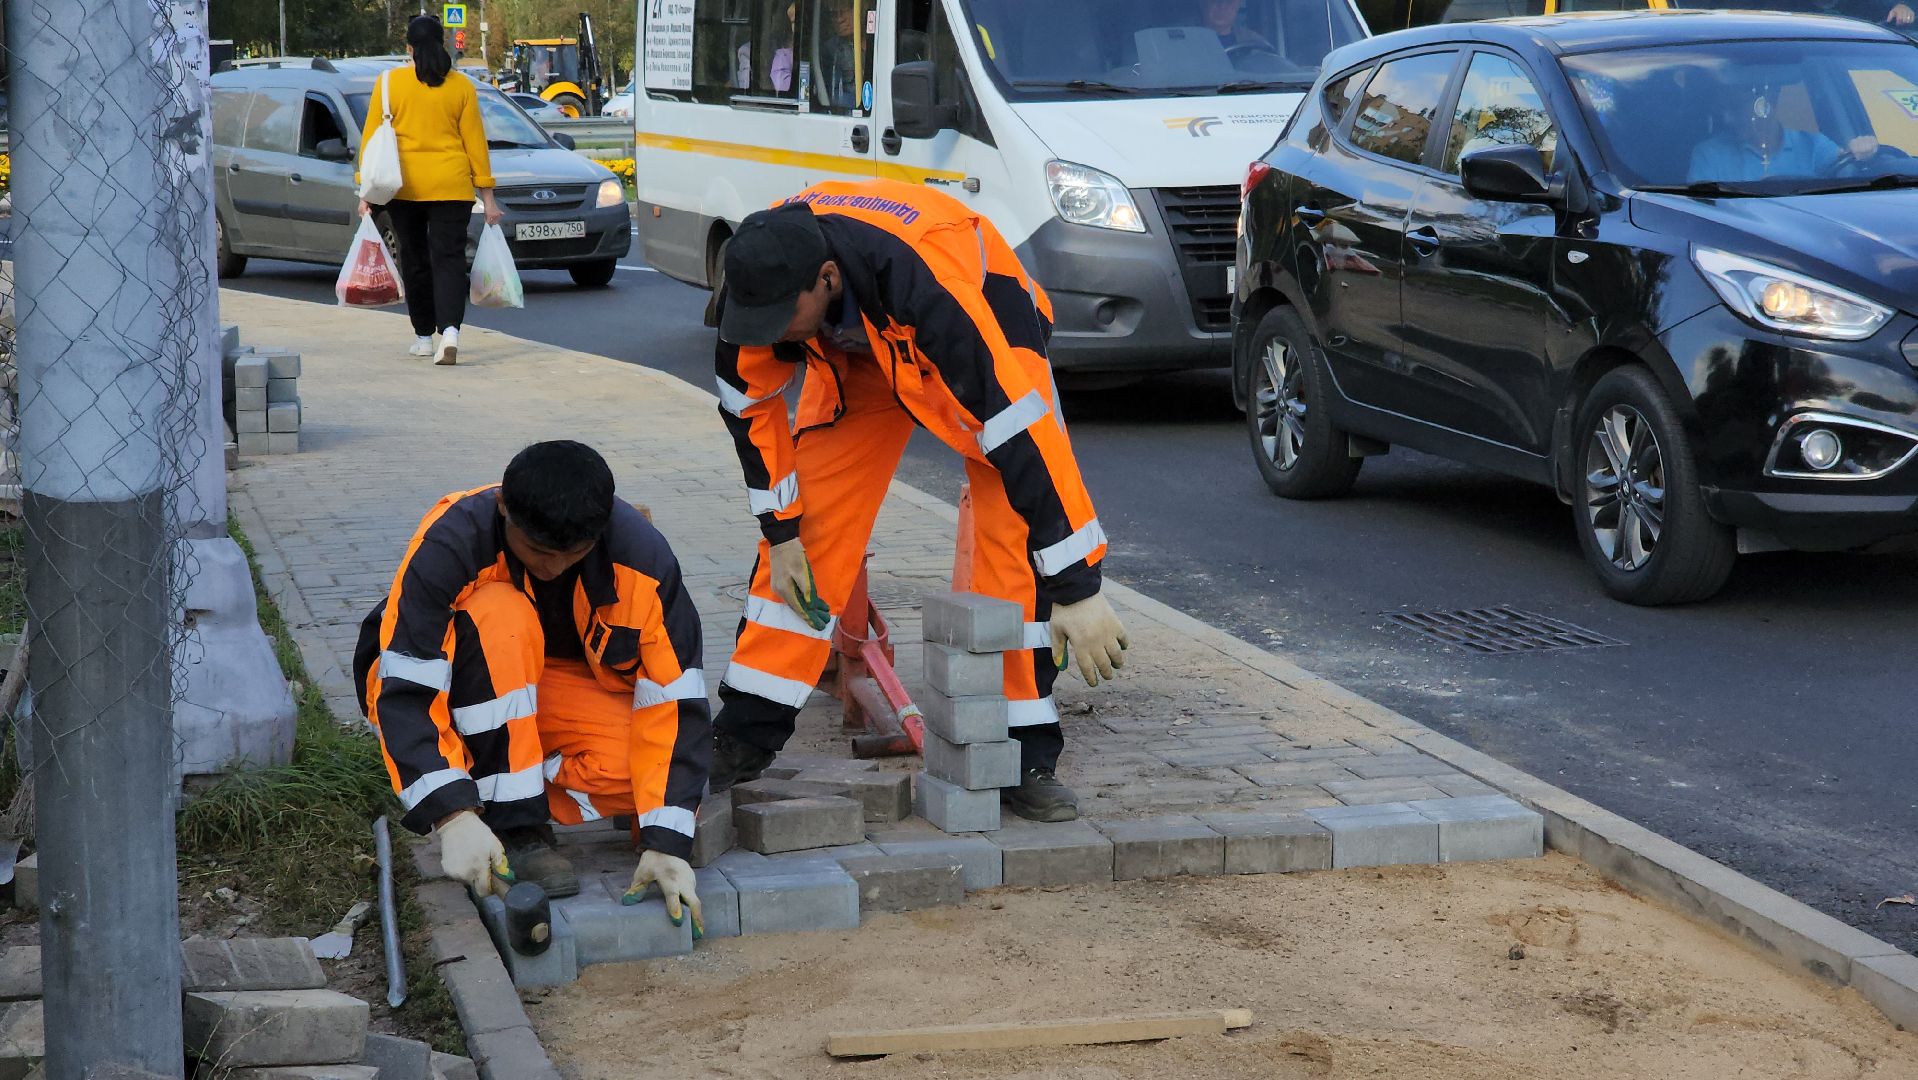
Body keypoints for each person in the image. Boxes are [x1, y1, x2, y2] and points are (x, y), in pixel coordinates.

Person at [709, 180, 1132, 823]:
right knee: (812, 527)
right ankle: (742, 734)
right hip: (861, 349)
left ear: (824, 280)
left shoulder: (935, 296)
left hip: (978, 314)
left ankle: (1021, 752)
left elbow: (1023, 435)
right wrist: (782, 530)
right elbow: (750, 408)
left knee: (1013, 535)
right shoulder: (762, 272)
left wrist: (1078, 587)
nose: (765, 336)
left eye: (776, 322)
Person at [354, 441, 709, 933]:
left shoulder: (643, 559)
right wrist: (449, 815)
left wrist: (667, 843)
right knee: (504, 614)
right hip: (450, 680)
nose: (553, 569)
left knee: (641, 774)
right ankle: (513, 824)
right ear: (504, 510)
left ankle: (498, 779)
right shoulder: (452, 541)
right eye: (538, 551)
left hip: (539, 689)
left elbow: (675, 701)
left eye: (574, 554)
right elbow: (408, 688)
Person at [358, 16, 504, 367]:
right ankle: (450, 333)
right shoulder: (462, 87)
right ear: (442, 43)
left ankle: (424, 337)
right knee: (450, 260)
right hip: (452, 186)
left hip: (404, 188)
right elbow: (475, 145)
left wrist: (365, 192)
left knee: (415, 260)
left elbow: (371, 139)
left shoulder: (389, 83)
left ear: (408, 47)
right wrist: (487, 196)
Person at [1689, 80, 1878, 182]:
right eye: (1723, 111)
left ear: (1766, 103)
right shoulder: (1709, 155)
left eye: (1735, 108)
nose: (1727, 119)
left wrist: (1863, 150)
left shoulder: (1813, 145)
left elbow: (1846, 169)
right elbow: (1702, 212)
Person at [1200, 0, 1272, 51]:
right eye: (1216, 0)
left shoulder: (1256, 43)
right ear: (1203, 2)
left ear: (1238, 4)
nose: (1222, 5)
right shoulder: (1189, 39)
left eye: (1230, 1)